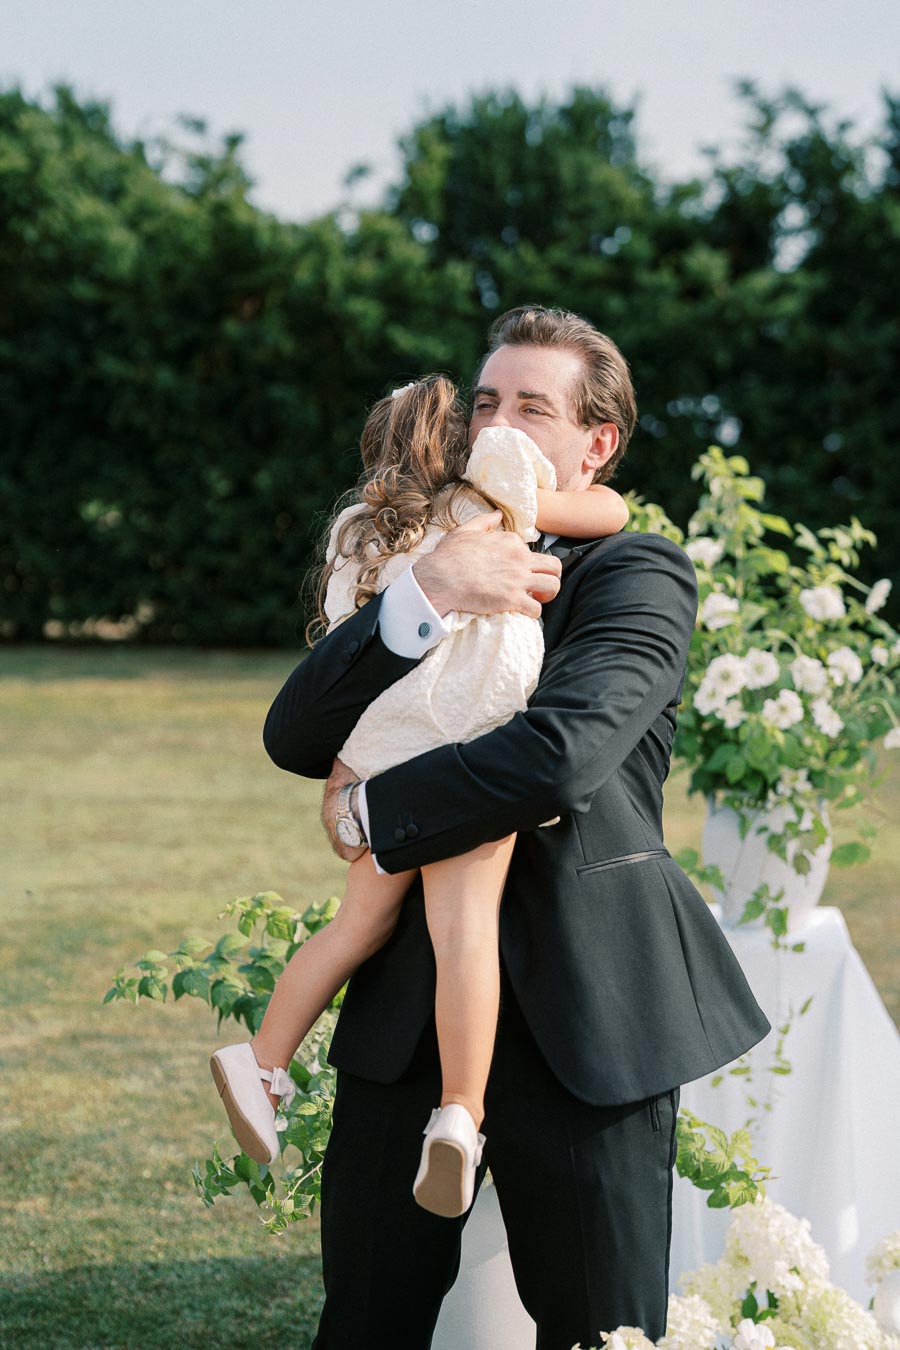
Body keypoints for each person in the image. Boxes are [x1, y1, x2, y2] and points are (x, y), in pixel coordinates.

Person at [263, 306, 772, 1349]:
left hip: (590, 1021)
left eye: (534, 406)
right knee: (364, 1322)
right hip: (407, 1019)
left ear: (598, 444)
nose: (499, 422)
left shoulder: (637, 574)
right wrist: (428, 589)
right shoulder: (423, 558)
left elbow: (562, 755)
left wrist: (374, 809)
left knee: (598, 1333)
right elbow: (295, 729)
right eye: (486, 401)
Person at [210, 373, 631, 1220]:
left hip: (382, 748)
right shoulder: (493, 480)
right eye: (483, 409)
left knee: (353, 926)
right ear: (464, 439)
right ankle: (459, 1116)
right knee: (463, 931)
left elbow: (343, 644)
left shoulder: (360, 528)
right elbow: (607, 515)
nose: (498, 420)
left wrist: (349, 762)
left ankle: (261, 1064)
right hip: (467, 744)